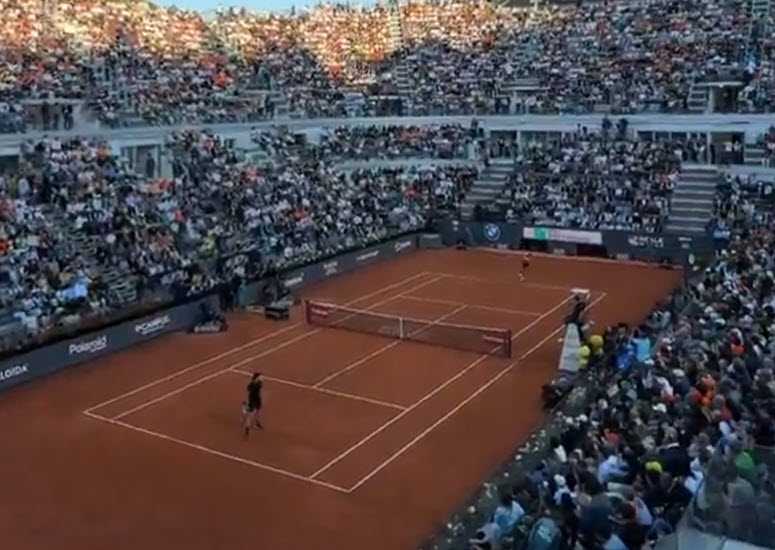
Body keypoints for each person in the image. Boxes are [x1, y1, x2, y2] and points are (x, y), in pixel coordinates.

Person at [243, 372, 264, 438]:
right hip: (252, 399)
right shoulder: (253, 384)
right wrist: (247, 401)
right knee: (250, 414)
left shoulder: (259, 383)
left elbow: (259, 391)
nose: (262, 378)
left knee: (257, 411)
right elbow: (248, 390)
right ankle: (247, 428)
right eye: (261, 377)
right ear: (257, 377)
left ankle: (256, 423)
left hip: (257, 399)